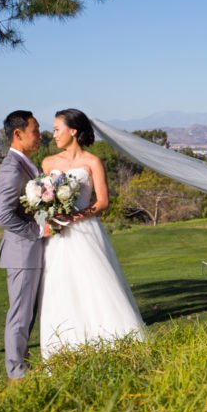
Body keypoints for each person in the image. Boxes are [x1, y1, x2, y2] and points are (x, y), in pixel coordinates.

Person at [38, 108, 147, 360]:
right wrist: (50, 219)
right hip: (58, 235)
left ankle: (114, 346)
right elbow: (44, 199)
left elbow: (103, 202)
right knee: (59, 287)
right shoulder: (48, 163)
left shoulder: (92, 162)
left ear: (73, 131)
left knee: (96, 284)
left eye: (57, 129)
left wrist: (74, 217)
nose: (53, 134)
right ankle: (65, 350)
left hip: (85, 231)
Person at [0, 110, 49, 379]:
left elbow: (29, 206)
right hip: (21, 253)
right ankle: (16, 373)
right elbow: (2, 215)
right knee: (19, 317)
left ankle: (23, 367)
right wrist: (38, 230)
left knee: (28, 317)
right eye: (35, 130)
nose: (40, 135)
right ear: (18, 134)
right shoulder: (11, 168)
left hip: (32, 252)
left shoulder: (26, 164)